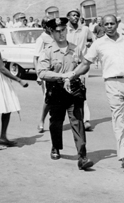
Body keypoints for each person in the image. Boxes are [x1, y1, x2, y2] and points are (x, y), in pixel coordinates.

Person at [67, 14, 124, 172]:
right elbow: (86, 63)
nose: (109, 26)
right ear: (102, 26)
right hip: (112, 83)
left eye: (112, 23)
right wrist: (73, 75)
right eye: (106, 24)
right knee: (118, 119)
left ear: (117, 24)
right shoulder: (98, 44)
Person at [37, 17, 94, 170]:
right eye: (57, 31)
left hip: (73, 91)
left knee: (77, 122)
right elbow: (42, 72)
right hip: (56, 91)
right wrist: (62, 76)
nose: (61, 34)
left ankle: (82, 156)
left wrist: (74, 74)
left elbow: (85, 64)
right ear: (51, 32)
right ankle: (55, 146)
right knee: (56, 122)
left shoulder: (75, 48)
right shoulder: (47, 51)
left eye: (63, 30)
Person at [66, 9, 94, 131]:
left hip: (81, 64)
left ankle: (86, 120)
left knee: (82, 90)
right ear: (68, 17)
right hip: (67, 64)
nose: (76, 17)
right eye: (73, 15)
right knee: (66, 91)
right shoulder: (65, 30)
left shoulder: (85, 29)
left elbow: (92, 40)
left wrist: (88, 45)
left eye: (77, 15)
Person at [33, 16, 54, 133]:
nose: (51, 27)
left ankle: (54, 121)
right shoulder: (41, 38)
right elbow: (35, 58)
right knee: (48, 97)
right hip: (45, 71)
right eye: (48, 25)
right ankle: (41, 120)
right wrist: (38, 74)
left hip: (56, 69)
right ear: (44, 26)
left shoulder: (55, 35)